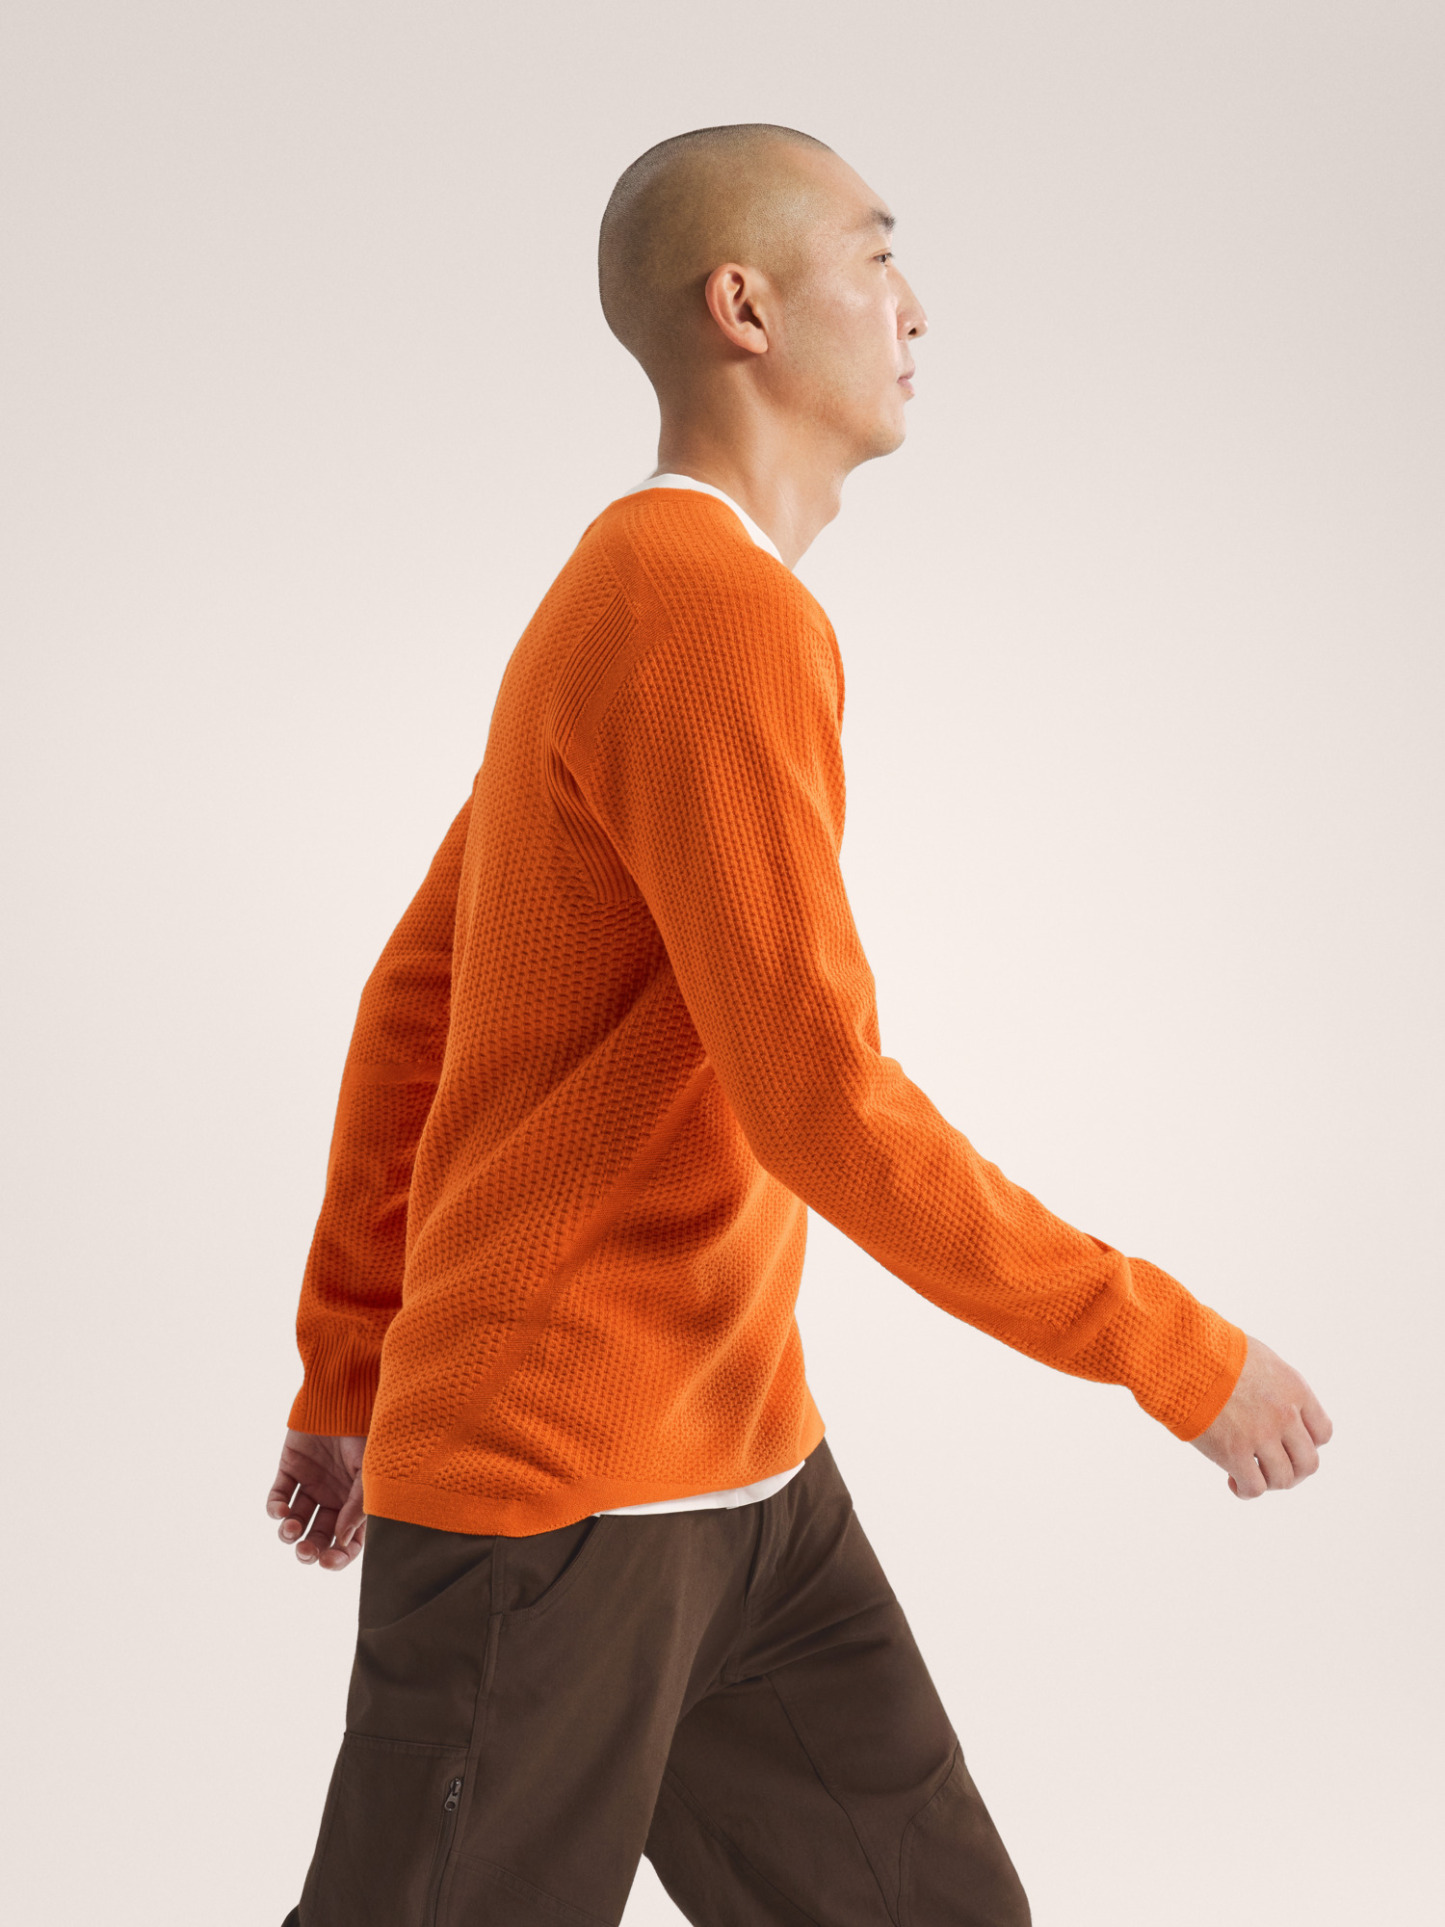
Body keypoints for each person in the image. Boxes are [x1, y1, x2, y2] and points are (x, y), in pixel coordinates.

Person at [267, 123, 1332, 1927]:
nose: (915, 307)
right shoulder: (704, 615)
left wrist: (350, 1364)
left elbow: (410, 1002)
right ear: (743, 307)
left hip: (749, 1477)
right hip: (555, 1498)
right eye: (876, 255)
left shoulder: (624, 590)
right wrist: (1168, 1348)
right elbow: (819, 1101)